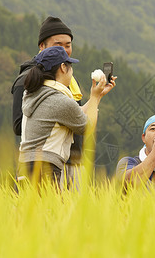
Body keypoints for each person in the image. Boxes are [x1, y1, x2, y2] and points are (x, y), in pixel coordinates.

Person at [18, 46, 115, 188]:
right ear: (63, 67)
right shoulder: (59, 100)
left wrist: (97, 96)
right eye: (70, 66)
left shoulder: (35, 94)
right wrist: (94, 96)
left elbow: (74, 114)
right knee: (50, 210)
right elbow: (87, 127)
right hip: (45, 168)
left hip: (25, 166)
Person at [11, 16, 85, 165]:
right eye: (58, 45)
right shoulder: (27, 79)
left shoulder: (68, 79)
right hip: (45, 163)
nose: (64, 50)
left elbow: (76, 115)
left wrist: (97, 95)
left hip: (73, 161)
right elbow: (19, 126)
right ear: (42, 46)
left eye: (68, 45)